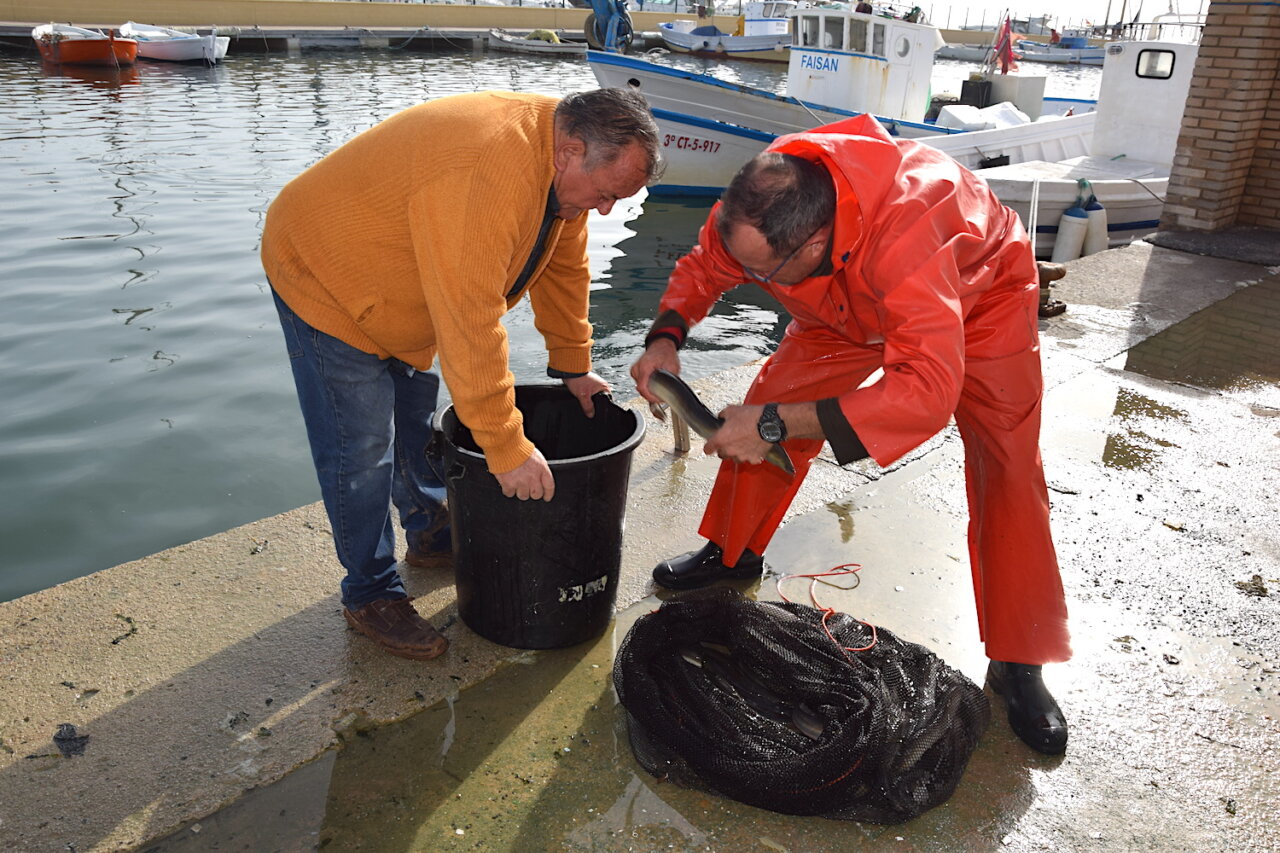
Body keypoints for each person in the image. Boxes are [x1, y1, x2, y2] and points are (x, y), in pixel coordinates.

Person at [630, 114, 1071, 754]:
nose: (747, 277)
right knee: (764, 402)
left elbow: (924, 395)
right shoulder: (765, 200)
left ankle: (1020, 660)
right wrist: (664, 340)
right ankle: (732, 551)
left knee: (1008, 469)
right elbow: (704, 266)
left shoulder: (911, 233)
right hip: (837, 307)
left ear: (809, 246)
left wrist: (777, 425)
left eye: (762, 274)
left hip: (978, 300)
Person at [263, 89, 660, 661]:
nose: (604, 210)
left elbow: (564, 265)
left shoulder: (560, 169)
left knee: (413, 416)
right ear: (569, 151)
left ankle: (426, 527)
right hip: (324, 270)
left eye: (615, 201)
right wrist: (505, 445)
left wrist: (574, 364)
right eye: (604, 195)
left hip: (404, 279)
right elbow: (470, 320)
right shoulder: (486, 172)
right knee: (362, 446)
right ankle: (370, 590)